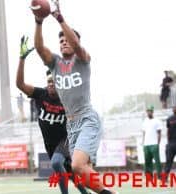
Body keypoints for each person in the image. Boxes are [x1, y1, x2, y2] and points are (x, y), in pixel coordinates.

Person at [33, 1, 117, 193]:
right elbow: (39, 48)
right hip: (71, 126)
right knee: (80, 172)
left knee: (78, 166)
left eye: (66, 39)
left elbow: (77, 45)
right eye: (60, 40)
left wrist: (60, 19)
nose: (63, 41)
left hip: (87, 118)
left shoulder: (82, 60)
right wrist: (39, 21)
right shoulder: (55, 64)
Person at [16, 35, 90, 194]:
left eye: (54, 82)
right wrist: (22, 58)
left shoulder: (67, 97)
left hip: (67, 138)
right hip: (50, 143)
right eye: (49, 82)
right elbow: (20, 85)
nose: (51, 85)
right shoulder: (41, 94)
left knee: (57, 163)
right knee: (69, 173)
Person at [142, 105, 162, 180]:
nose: (148, 112)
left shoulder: (157, 121)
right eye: (147, 111)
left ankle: (159, 176)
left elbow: (159, 133)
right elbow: (144, 133)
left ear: (152, 112)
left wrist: (158, 143)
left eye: (150, 111)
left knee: (157, 161)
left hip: (154, 144)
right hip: (146, 144)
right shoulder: (145, 121)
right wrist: (143, 143)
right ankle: (149, 176)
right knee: (147, 161)